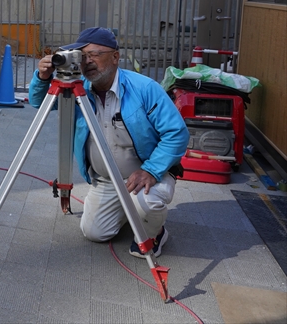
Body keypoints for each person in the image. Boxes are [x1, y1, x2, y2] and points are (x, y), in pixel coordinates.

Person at [29, 27, 188, 257]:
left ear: (115, 56)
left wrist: (151, 170)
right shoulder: (78, 88)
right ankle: (128, 211)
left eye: (95, 54)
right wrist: (42, 78)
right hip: (106, 180)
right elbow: (38, 103)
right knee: (93, 232)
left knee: (147, 203)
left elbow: (177, 133)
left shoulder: (144, 88)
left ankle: (155, 233)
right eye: (82, 56)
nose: (88, 62)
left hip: (146, 175)